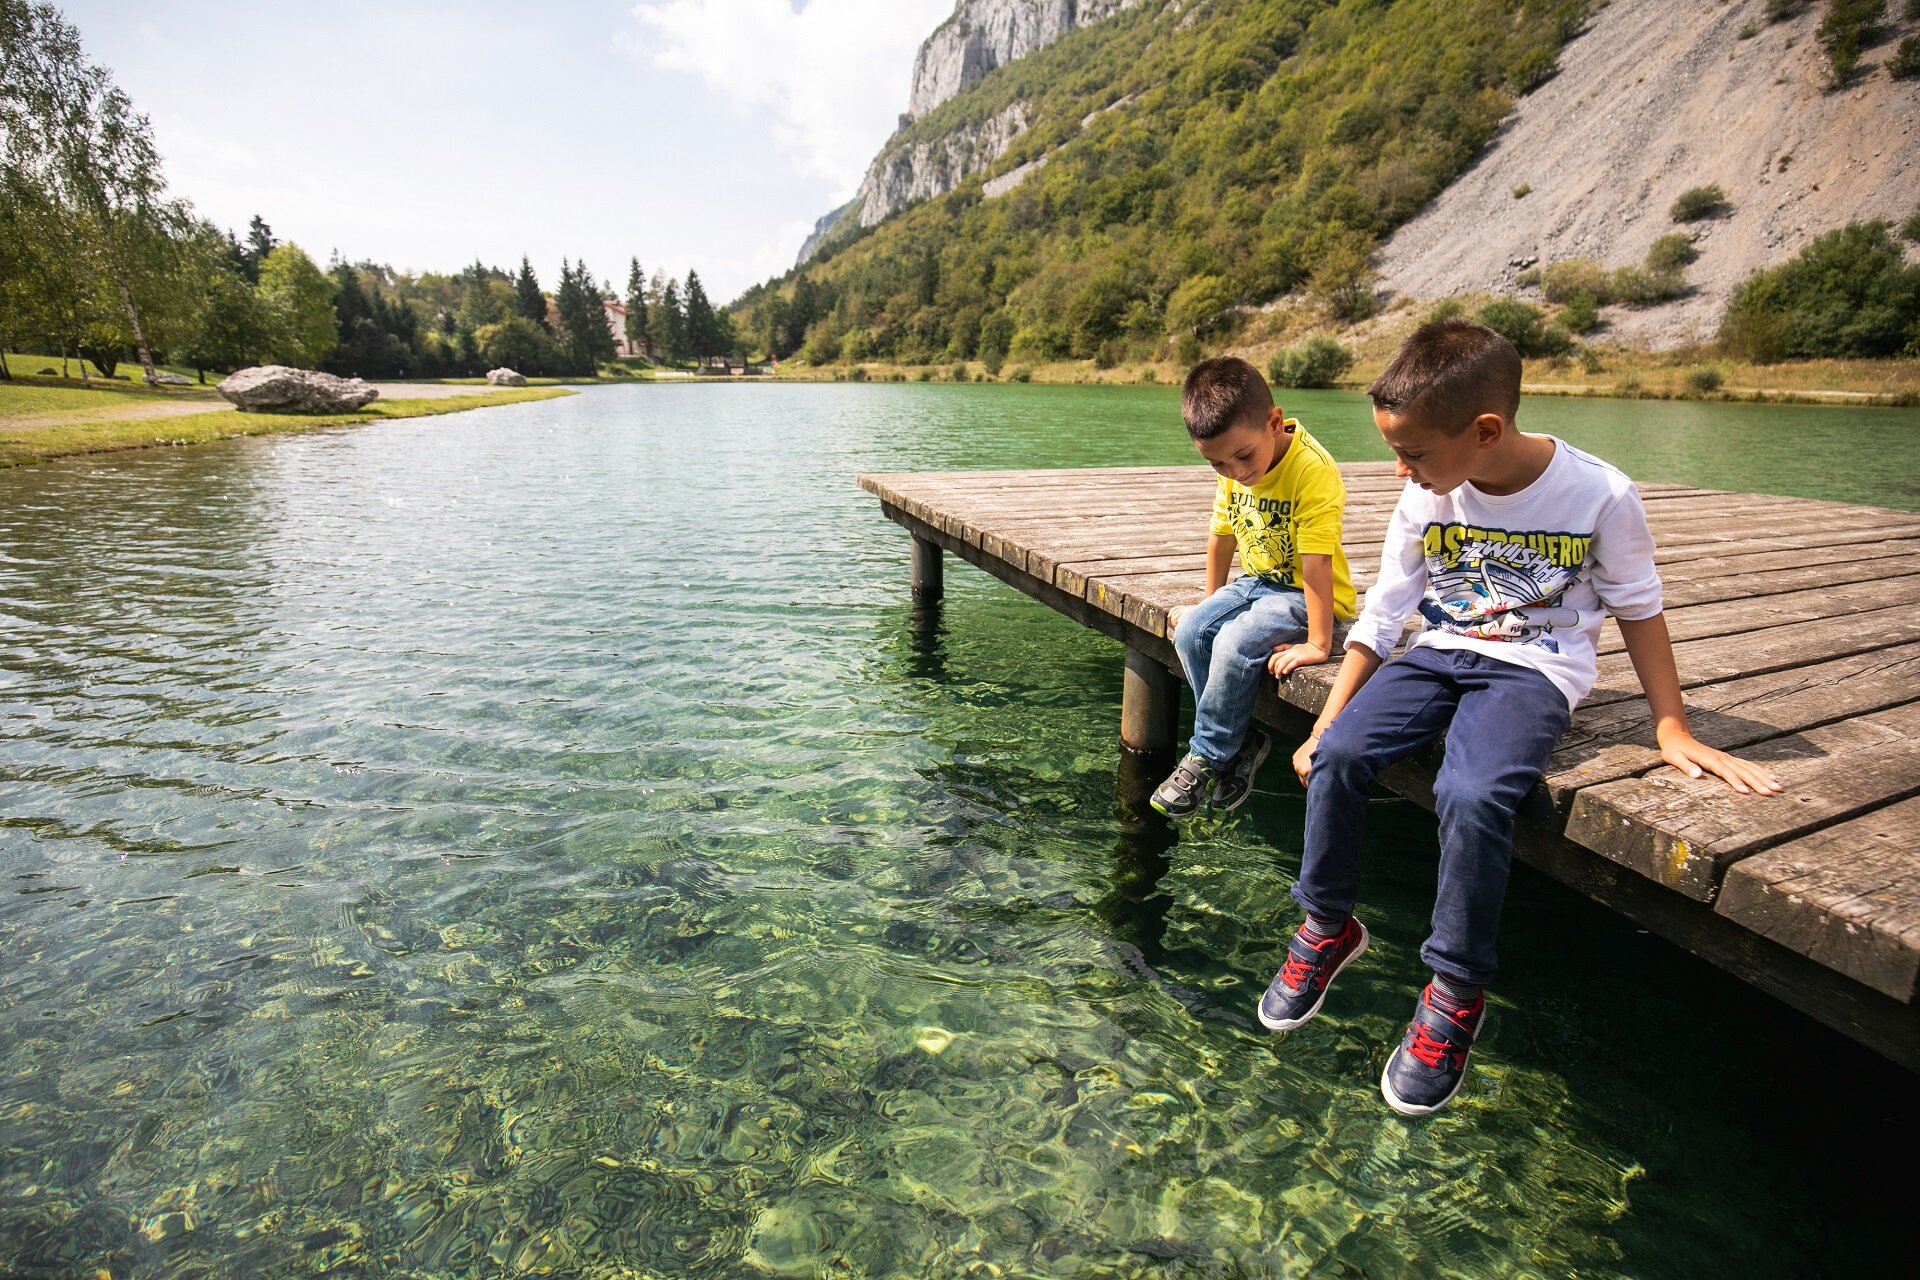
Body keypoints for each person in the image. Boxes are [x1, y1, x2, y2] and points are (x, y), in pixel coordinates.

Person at [1261, 319, 1781, 1116]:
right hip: (1438, 649)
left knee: (1472, 794)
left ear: (1486, 430)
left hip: (1535, 668)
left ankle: (1453, 989)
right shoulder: (1424, 490)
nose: (1400, 469)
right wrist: (1329, 719)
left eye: (1414, 453)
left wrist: (1670, 726)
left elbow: (1641, 610)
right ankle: (1328, 924)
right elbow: (1386, 615)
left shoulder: (1598, 493)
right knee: (1340, 757)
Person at [1151, 357, 1356, 818]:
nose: (1234, 471)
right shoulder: (1231, 468)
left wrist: (1320, 644)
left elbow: (1318, 563)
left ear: (1274, 422)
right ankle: (1241, 741)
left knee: (1234, 641)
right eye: (1217, 463)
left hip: (1307, 596)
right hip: (1256, 582)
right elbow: (1221, 535)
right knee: (1191, 632)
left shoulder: (1312, 470)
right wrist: (1208, 605)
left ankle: (1208, 754)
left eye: (1243, 456)